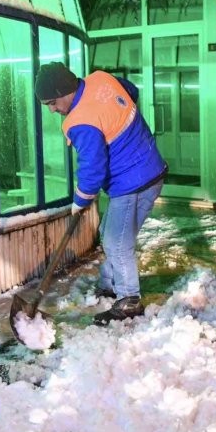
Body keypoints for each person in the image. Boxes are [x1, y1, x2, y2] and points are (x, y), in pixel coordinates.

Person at [34, 62, 167, 325]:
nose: (51, 110)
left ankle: (129, 299)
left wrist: (80, 200)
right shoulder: (101, 79)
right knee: (111, 234)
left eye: (52, 102)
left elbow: (92, 168)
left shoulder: (81, 121)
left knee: (117, 242)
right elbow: (131, 91)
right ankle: (110, 284)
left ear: (64, 91)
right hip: (151, 169)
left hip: (132, 182)